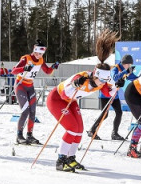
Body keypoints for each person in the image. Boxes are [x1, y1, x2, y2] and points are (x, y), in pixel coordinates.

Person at [48, 32, 117, 171]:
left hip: (71, 101)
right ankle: (61, 160)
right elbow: (63, 93)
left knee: (79, 130)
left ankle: (71, 158)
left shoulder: (101, 82)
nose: (102, 83)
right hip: (57, 99)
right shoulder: (82, 77)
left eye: (105, 80)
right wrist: (75, 84)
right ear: (95, 75)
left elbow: (109, 94)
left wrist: (117, 85)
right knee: (72, 128)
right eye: (101, 80)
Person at [11, 39, 59, 145]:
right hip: (20, 85)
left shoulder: (41, 60)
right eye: (38, 53)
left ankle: (29, 135)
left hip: (30, 86)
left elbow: (47, 71)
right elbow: (14, 70)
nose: (40, 55)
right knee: (25, 111)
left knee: (33, 111)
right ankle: (19, 136)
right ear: (34, 50)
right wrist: (24, 68)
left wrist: (53, 67)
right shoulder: (26, 58)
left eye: (42, 54)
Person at [87, 53, 138, 141]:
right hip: (105, 95)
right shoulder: (115, 68)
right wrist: (125, 72)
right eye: (129, 64)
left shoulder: (126, 70)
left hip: (115, 95)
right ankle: (92, 130)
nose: (130, 66)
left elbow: (134, 78)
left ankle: (115, 133)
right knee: (105, 114)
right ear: (125, 63)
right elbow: (114, 77)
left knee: (119, 112)